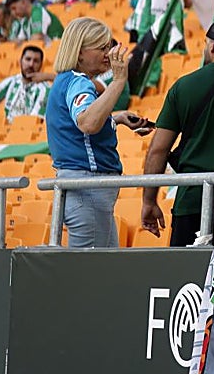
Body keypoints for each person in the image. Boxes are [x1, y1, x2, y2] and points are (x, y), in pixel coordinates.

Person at [139, 18, 214, 246]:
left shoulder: (183, 86)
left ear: (212, 46)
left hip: (191, 200)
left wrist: (149, 201)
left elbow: (158, 150)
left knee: (186, 279)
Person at [47, 18, 151, 247]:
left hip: (85, 191)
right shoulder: (79, 82)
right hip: (88, 190)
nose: (109, 53)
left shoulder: (66, 80)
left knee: (102, 270)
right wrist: (119, 81)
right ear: (80, 52)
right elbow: (88, 123)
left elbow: (77, 127)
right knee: (91, 276)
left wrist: (117, 118)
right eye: (102, 47)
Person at [0, 45, 54, 121]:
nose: (31, 64)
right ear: (20, 61)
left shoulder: (45, 89)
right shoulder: (12, 81)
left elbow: (34, 120)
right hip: (7, 128)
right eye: (28, 59)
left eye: (36, 61)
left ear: (41, 65)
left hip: (26, 130)